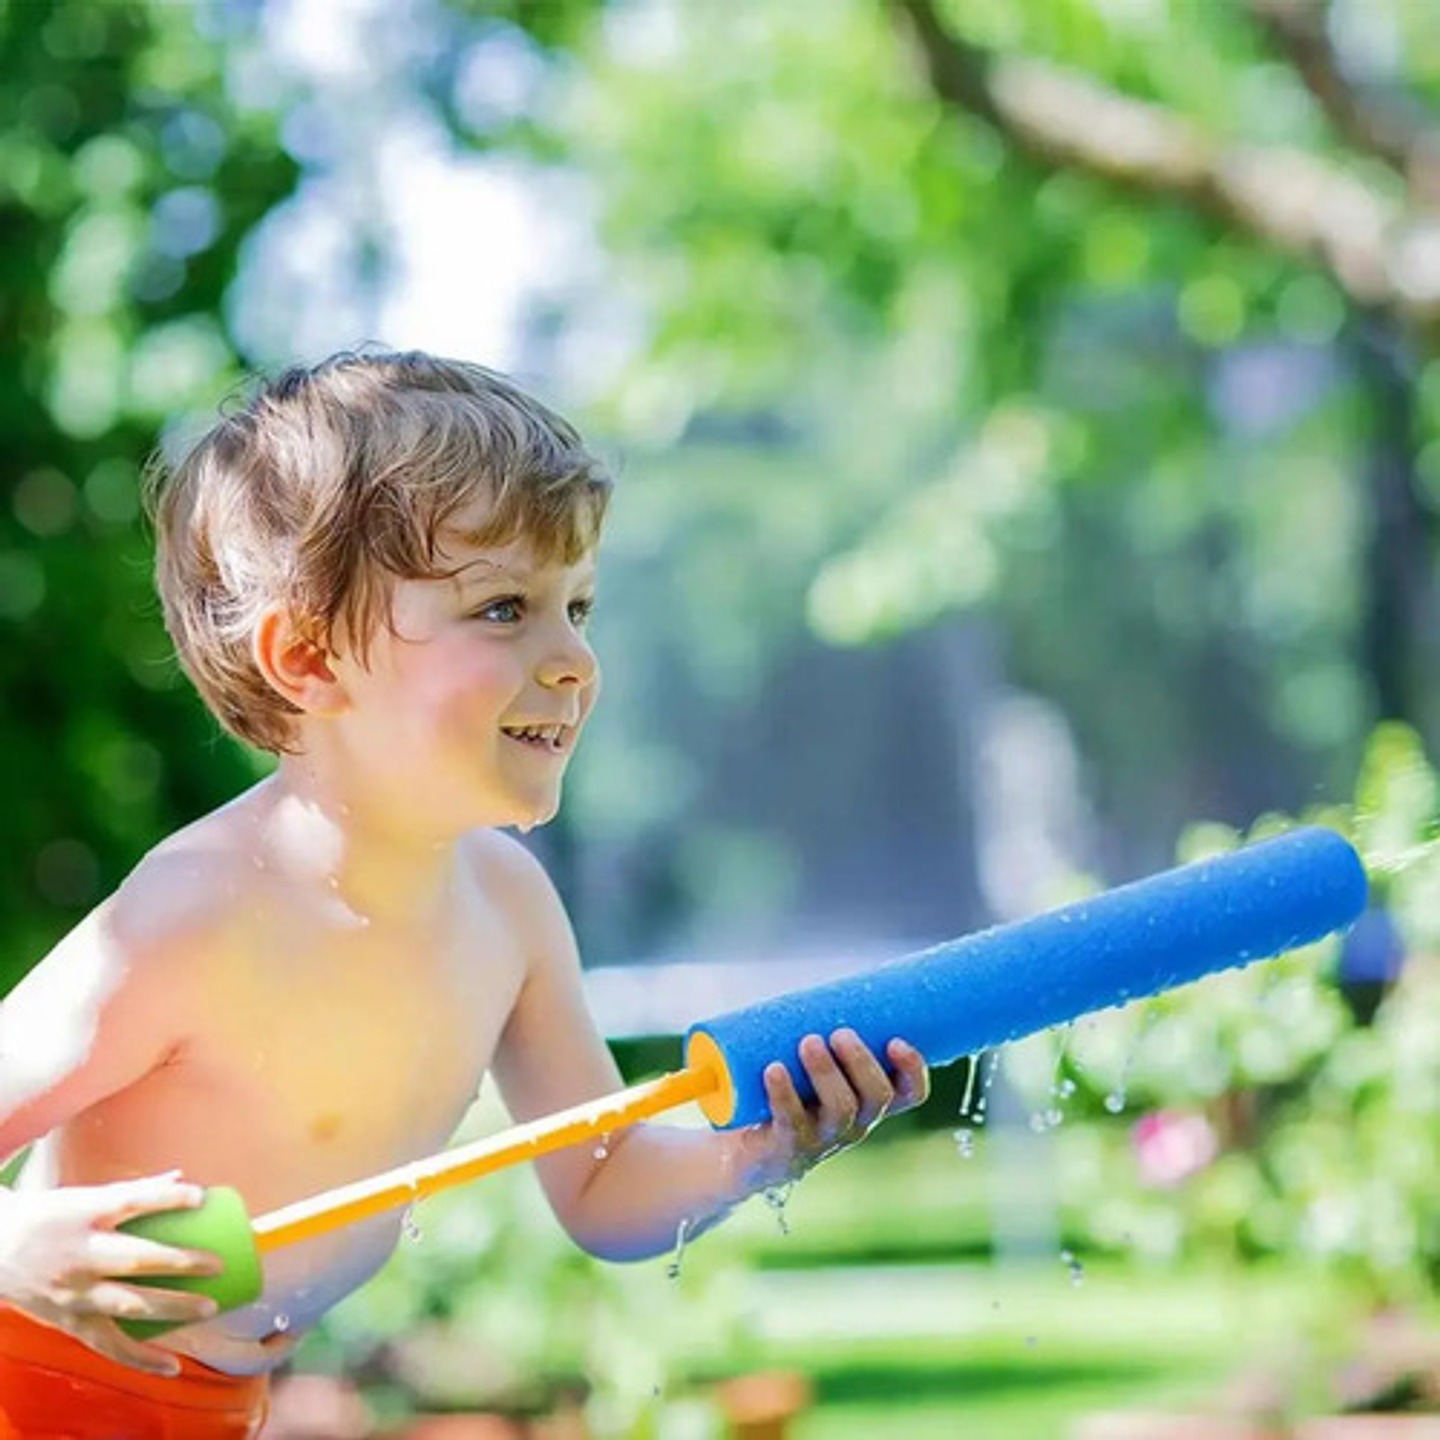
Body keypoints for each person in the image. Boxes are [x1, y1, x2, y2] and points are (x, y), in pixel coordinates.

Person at [0, 351, 929, 1437]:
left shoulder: (506, 908)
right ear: (308, 660)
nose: (573, 659)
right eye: (503, 608)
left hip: (206, 1410)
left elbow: (604, 1187)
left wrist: (758, 1152)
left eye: (578, 606)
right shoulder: (197, 915)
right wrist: (20, 1252)